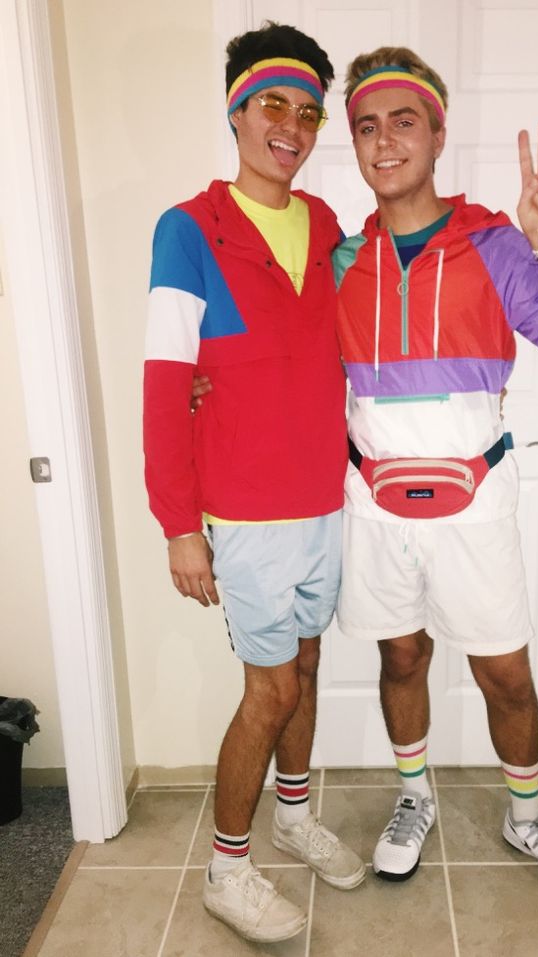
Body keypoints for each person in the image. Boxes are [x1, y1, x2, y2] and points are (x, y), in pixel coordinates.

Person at [331, 47, 538, 897]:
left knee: (505, 672)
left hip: (473, 502)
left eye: (402, 122)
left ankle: (525, 814)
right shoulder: (342, 260)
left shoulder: (490, 243)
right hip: (375, 505)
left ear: (438, 133)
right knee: (402, 659)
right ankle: (412, 796)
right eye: (366, 127)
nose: (384, 143)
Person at [143, 22, 364, 945]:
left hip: (323, 499)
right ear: (236, 111)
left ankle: (295, 815)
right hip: (245, 512)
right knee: (268, 691)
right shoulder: (188, 229)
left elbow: (360, 308)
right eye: (274, 103)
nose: (292, 124)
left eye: (308, 111)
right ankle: (227, 870)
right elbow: (163, 382)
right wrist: (178, 524)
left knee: (308, 669)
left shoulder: (321, 225)